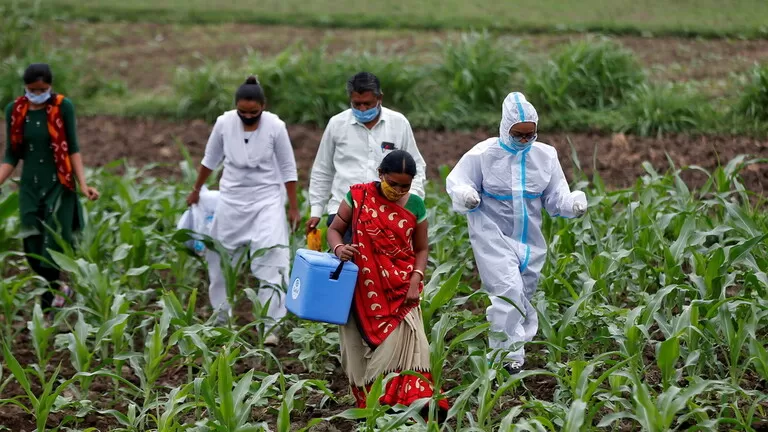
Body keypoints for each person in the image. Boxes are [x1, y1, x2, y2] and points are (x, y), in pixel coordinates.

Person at [445, 92, 588, 373]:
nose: (524, 140)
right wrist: (466, 195)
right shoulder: (483, 155)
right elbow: (458, 182)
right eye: (518, 135)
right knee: (508, 292)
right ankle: (506, 360)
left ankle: (514, 348)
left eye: (529, 135)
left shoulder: (545, 156)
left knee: (522, 295)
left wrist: (572, 204)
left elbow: (555, 196)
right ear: (505, 128)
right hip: (492, 236)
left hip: (530, 241)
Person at [327, 150, 449, 415]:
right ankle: (373, 403)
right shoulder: (359, 196)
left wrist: (416, 279)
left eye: (405, 186)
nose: (398, 191)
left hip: (401, 287)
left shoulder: (415, 205)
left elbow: (421, 249)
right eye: (393, 183)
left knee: (406, 343)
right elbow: (335, 229)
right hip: (362, 287)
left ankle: (407, 400)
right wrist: (339, 249)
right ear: (380, 174)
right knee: (357, 344)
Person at [187, 76, 300, 344]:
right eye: (243, 112)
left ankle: (270, 327)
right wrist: (196, 189)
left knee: (272, 256)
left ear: (263, 106)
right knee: (220, 258)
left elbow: (288, 168)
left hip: (266, 200)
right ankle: (221, 319)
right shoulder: (224, 123)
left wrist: (293, 207)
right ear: (236, 107)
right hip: (232, 199)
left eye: (253, 112)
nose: (248, 117)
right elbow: (210, 160)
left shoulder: (275, 126)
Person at [0, 63, 100, 318]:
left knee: (52, 244)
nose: (38, 94)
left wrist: (83, 184)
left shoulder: (62, 107)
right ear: (25, 87)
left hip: (59, 184)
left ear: (50, 87)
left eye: (42, 89)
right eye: (33, 90)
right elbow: (11, 155)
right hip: (30, 186)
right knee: (31, 246)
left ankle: (49, 303)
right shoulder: (15, 110)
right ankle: (58, 289)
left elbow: (72, 148)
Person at [306, 71, 427, 243]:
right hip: (344, 213)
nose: (362, 109)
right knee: (347, 259)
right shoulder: (336, 124)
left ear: (380, 98)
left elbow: (416, 166)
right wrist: (316, 210)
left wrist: (412, 201)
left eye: (367, 104)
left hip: (388, 214)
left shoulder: (398, 123)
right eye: (357, 104)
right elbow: (323, 169)